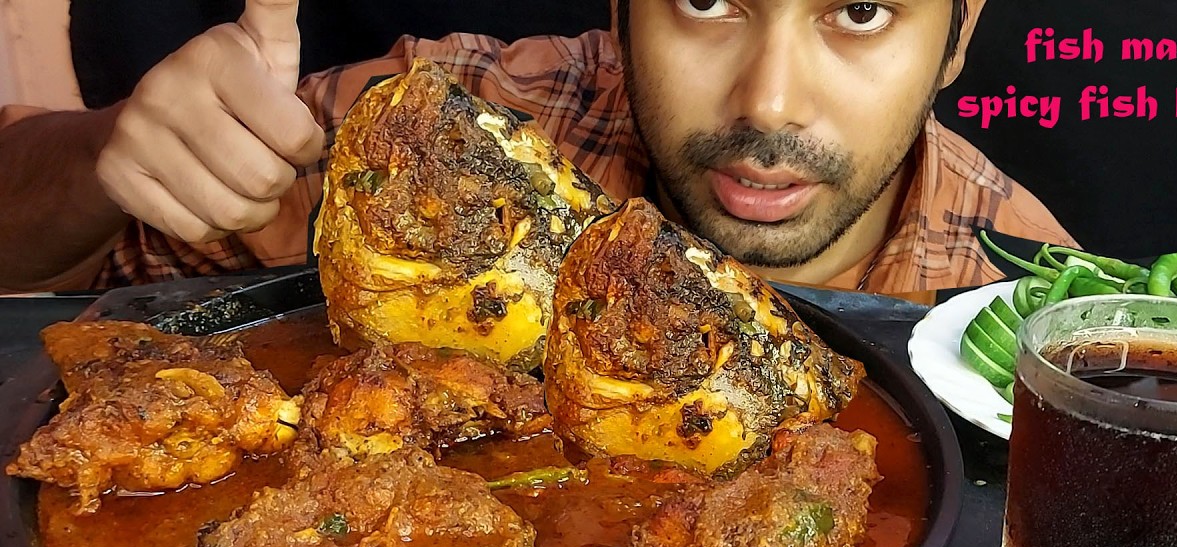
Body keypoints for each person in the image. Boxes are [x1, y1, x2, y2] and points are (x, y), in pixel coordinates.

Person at [0, 0, 1075, 294]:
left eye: (858, 11)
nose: (771, 103)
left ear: (957, 37)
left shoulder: (1024, 304)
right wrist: (108, 151)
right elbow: (31, 259)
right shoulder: (435, 127)